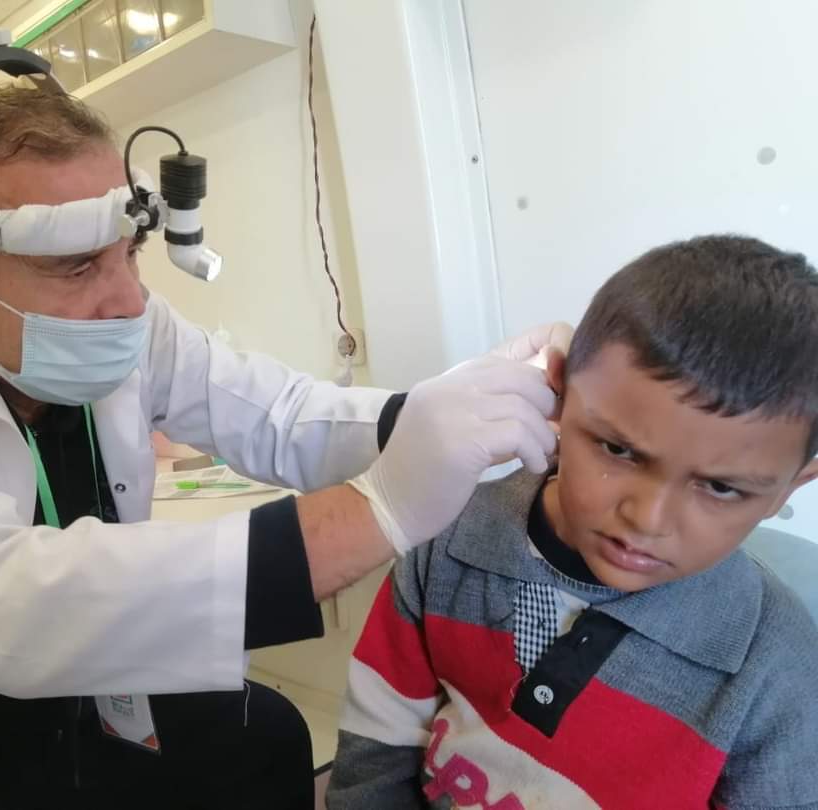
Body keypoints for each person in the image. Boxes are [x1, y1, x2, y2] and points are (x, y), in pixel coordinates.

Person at [0, 84, 568, 809]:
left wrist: (443, 412)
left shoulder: (121, 321)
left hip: (67, 681)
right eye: (76, 267)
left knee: (269, 738)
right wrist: (376, 512)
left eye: (129, 252)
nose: (130, 300)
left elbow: (282, 414)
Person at [327, 235, 818, 809]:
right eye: (618, 449)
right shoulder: (445, 544)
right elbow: (373, 759)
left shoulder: (777, 665)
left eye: (720, 487)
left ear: (792, 484)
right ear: (557, 393)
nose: (647, 519)